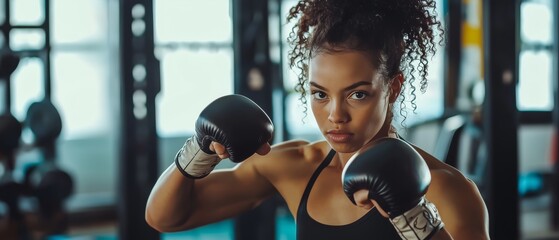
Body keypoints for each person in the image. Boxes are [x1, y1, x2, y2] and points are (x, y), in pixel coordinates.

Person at [145, 0, 490, 239]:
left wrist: (415, 217)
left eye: (358, 94)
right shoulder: (295, 167)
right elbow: (165, 217)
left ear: (393, 87)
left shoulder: (444, 188)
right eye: (320, 94)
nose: (335, 115)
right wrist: (199, 152)